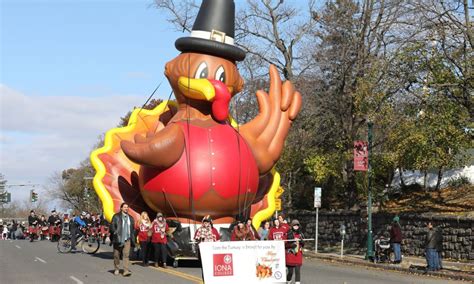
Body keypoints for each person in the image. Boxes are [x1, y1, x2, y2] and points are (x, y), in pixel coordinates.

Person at [110, 203, 136, 277]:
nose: (126, 208)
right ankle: (117, 268)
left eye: (127, 207)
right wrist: (115, 232)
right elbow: (112, 226)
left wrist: (132, 236)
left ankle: (126, 270)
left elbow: (133, 228)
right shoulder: (116, 216)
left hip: (127, 239)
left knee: (126, 255)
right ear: (121, 208)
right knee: (116, 255)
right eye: (124, 207)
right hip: (118, 238)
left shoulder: (130, 218)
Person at [286, 219, 304, 284]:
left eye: (297, 225)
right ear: (292, 226)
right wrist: (291, 245)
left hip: (298, 255)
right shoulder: (288, 233)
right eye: (295, 225)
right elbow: (286, 245)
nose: (296, 226)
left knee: (297, 271)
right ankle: (288, 281)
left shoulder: (301, 234)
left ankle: (297, 282)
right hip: (290, 255)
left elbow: (303, 244)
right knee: (290, 272)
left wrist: (302, 242)